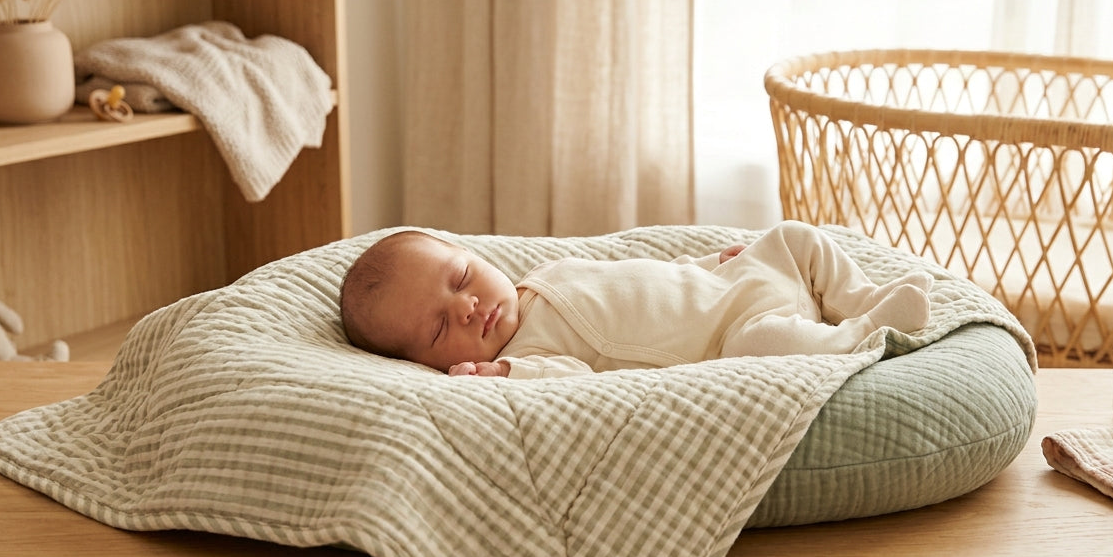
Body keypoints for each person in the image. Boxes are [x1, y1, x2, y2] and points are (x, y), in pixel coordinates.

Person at [339, 220, 932, 379]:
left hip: (731, 283)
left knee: (796, 236)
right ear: (425, 365)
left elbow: (641, 275)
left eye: (462, 277)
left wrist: (706, 264)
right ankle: (868, 331)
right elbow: (570, 377)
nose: (466, 306)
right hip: (737, 332)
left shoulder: (547, 271)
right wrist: (507, 373)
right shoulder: (531, 350)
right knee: (764, 345)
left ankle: (862, 296)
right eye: (441, 330)